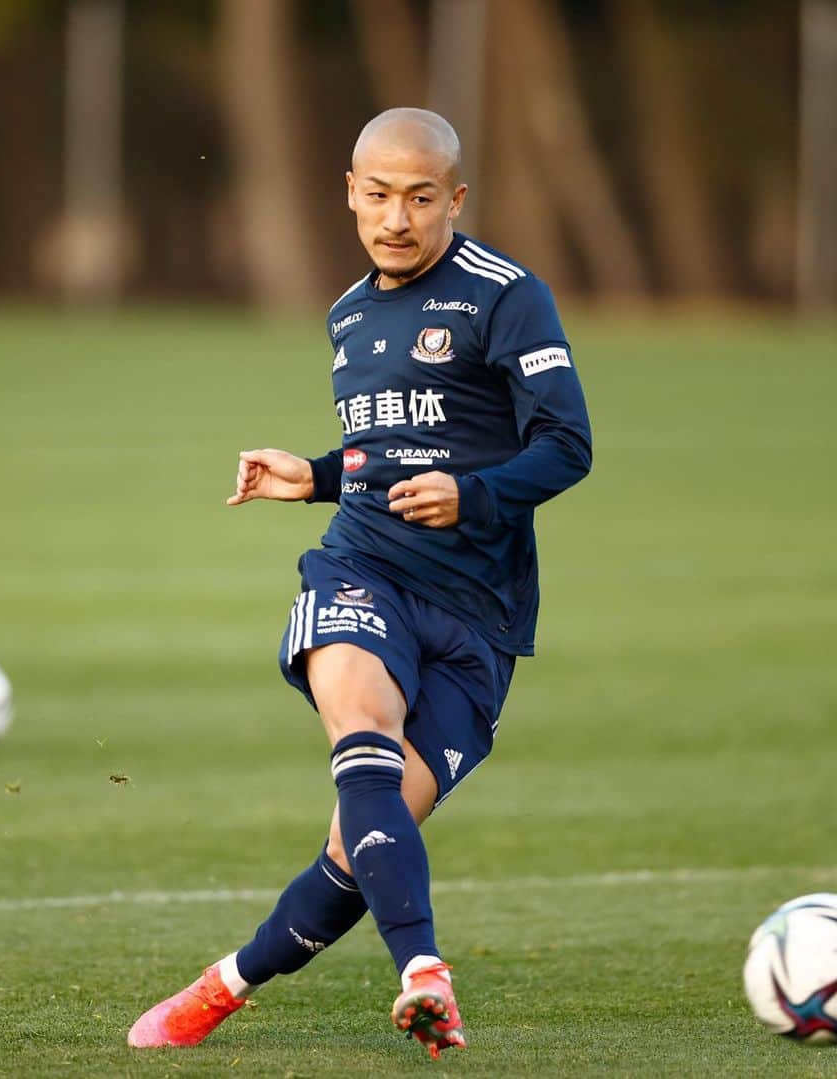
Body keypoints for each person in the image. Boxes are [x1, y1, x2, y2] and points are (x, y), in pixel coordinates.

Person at [127, 107, 592, 1061]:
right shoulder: (347, 313)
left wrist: (473, 494)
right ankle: (425, 973)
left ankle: (226, 983)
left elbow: (567, 445)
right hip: (361, 565)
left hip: (480, 615)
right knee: (363, 729)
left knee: (356, 851)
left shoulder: (509, 297)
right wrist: (318, 473)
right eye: (378, 195)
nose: (397, 217)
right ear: (350, 193)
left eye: (421, 198)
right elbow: (388, 447)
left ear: (454, 199)